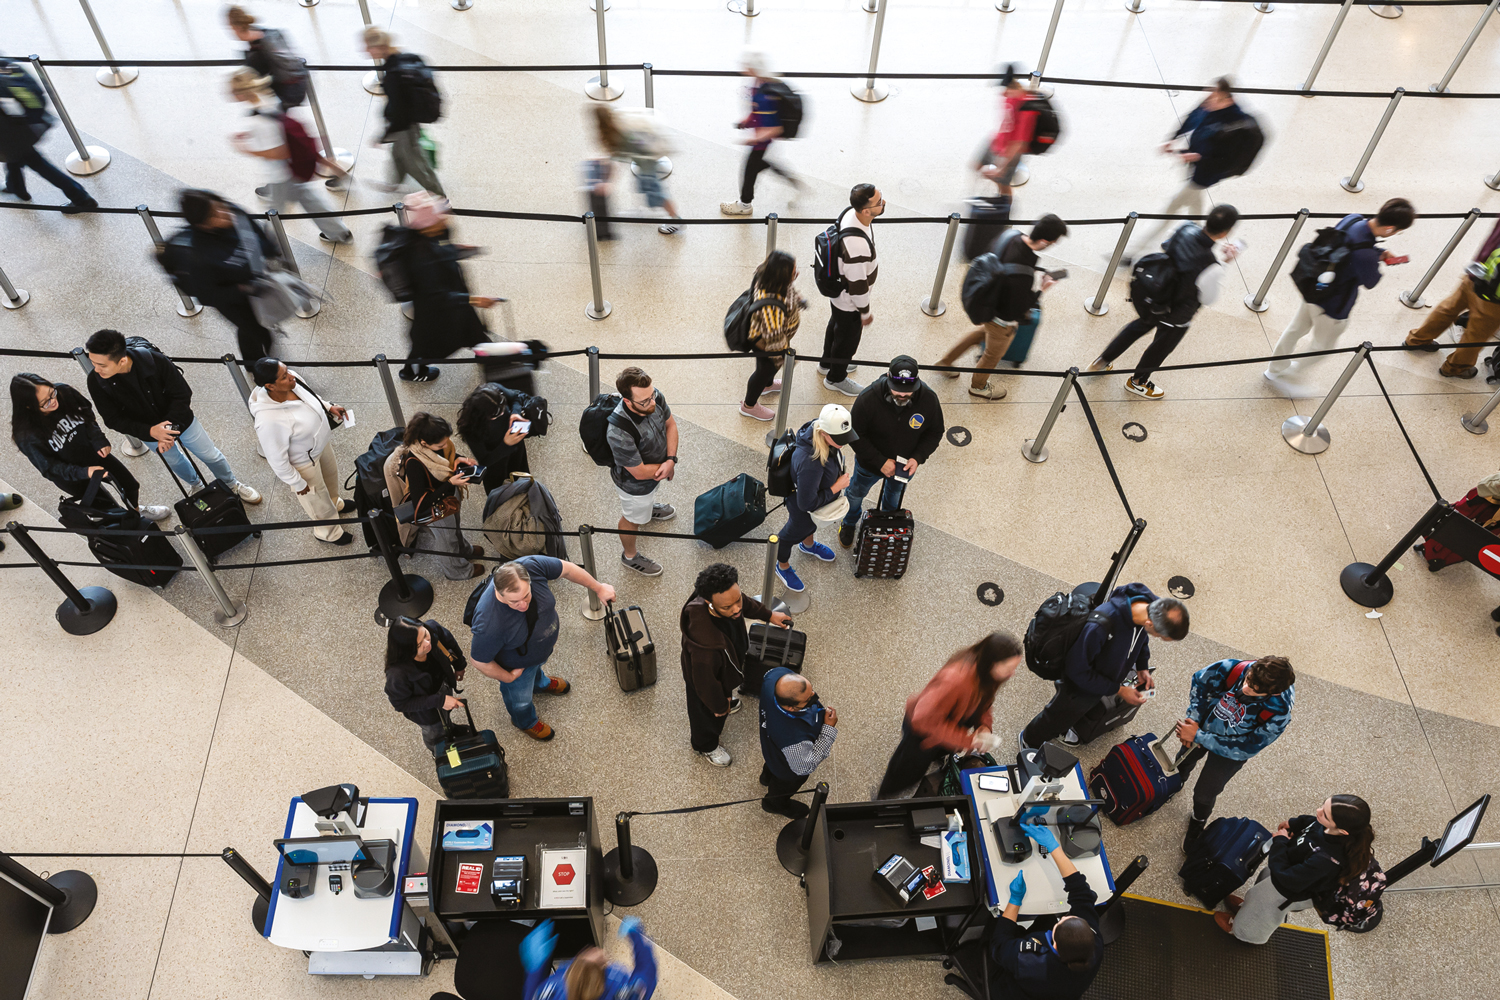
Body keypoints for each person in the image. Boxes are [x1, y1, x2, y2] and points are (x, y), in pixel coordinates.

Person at [84, 329, 262, 504]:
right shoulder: (96, 380)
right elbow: (112, 418)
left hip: (181, 422)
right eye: (93, 362)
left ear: (122, 360)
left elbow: (182, 395)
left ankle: (231, 483)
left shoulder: (154, 361)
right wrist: (152, 432)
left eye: (102, 365)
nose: (96, 370)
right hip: (150, 433)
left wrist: (168, 432)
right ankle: (197, 485)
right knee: (175, 462)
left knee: (210, 455)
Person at [1087, 204, 1240, 400]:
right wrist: (1224, 262)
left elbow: (1167, 245)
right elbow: (1208, 298)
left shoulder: (1186, 227)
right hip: (1177, 313)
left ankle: (1102, 360)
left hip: (1157, 294)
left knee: (1138, 326)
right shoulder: (1210, 264)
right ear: (1224, 233)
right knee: (1161, 346)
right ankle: (1139, 382)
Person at [1019, 584, 1188, 751]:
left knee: (1075, 712)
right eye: (1160, 635)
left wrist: (1142, 667)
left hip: (1102, 680)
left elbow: (1141, 638)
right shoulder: (1101, 626)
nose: (1157, 637)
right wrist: (1119, 690)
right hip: (1079, 685)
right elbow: (1076, 671)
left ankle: (1063, 726)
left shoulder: (1148, 606)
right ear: (1150, 622)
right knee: (1059, 714)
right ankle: (1029, 740)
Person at [467, 558, 615, 742]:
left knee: (535, 670)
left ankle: (540, 684)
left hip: (537, 654)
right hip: (516, 668)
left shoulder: (530, 565)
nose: (523, 605)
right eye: (514, 601)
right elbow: (479, 661)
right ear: (498, 592)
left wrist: (599, 588)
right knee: (520, 700)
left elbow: (567, 569)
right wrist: (509, 677)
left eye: (526, 595)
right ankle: (525, 722)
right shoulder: (488, 622)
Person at [1267, 200, 1414, 379]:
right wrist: (1376, 258)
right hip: (1333, 304)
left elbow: (1349, 245)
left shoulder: (1353, 219)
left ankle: (1275, 368)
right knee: (1322, 346)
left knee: (1295, 329)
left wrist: (1377, 252)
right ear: (1390, 228)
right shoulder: (1365, 255)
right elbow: (1371, 281)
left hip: (1314, 286)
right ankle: (1291, 375)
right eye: (1398, 231)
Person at [935, 214, 1068, 400]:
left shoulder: (1011, 236)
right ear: (1045, 241)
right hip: (1000, 318)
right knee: (992, 355)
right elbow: (1015, 311)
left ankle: (945, 362)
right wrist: (1041, 289)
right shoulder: (1023, 277)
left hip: (987, 302)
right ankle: (978, 387)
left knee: (980, 334)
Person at [875, 632, 1021, 798]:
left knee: (937, 753)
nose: (1013, 673)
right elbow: (921, 719)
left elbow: (985, 701)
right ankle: (883, 798)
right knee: (905, 773)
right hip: (923, 734)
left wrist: (984, 725)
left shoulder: (984, 673)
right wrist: (967, 740)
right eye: (1009, 668)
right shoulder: (955, 680)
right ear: (991, 663)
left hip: (951, 722)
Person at [10, 373, 170, 522]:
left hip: (93, 453)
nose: (53, 401)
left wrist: (98, 439)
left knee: (129, 485)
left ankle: (135, 514)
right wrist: (84, 472)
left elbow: (86, 414)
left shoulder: (63, 391)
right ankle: (123, 525)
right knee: (104, 505)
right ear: (28, 407)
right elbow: (49, 468)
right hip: (71, 476)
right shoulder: (27, 435)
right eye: (45, 402)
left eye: (52, 393)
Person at [1218, 795, 1375, 944]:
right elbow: (1313, 823)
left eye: (1325, 815)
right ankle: (1248, 910)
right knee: (1258, 896)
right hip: (1291, 871)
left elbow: (1286, 878)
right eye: (1323, 806)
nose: (1318, 812)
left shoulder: (1328, 861)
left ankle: (1244, 931)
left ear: (1343, 831)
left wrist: (1279, 842)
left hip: (1288, 891)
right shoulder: (1332, 828)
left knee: (1265, 907)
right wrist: (1295, 823)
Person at [1176, 656, 1296, 852]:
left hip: (1231, 750)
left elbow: (1247, 746)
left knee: (1204, 794)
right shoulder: (1236, 667)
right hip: (1204, 724)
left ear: (1274, 692)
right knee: (1183, 760)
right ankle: (1176, 782)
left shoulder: (1279, 712)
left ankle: (1198, 821)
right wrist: (1194, 720)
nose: (1246, 688)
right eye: (1248, 680)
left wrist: (1199, 736)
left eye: (1255, 690)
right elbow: (1200, 681)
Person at [1125, 78, 1252, 261]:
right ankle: (1198, 242)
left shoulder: (1236, 120)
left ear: (1225, 97)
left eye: (1214, 92)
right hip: (1195, 168)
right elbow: (1193, 117)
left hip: (1204, 174)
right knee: (1196, 210)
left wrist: (1199, 157)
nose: (1208, 96)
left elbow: (1227, 154)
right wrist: (1174, 138)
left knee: (1169, 210)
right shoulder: (1212, 103)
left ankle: (1133, 252)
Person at [680, 563, 793, 767]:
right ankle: (705, 745)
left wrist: (768, 615)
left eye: (737, 599)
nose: (737, 609)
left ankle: (724, 701)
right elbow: (706, 683)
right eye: (728, 607)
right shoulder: (704, 649)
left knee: (722, 692)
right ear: (709, 603)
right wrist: (719, 705)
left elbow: (745, 603)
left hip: (724, 668)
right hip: (706, 684)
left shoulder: (726, 599)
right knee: (706, 715)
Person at [226, 69, 351, 246]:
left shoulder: (257, 120)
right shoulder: (269, 99)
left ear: (241, 93)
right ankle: (340, 233)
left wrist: (247, 150)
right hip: (294, 167)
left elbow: (280, 152)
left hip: (281, 174)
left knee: (275, 211)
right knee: (309, 199)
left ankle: (270, 246)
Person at [159, 189, 282, 364]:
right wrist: (243, 289)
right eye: (215, 216)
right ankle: (256, 365)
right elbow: (207, 295)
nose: (225, 214)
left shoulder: (232, 211)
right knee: (254, 330)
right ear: (203, 225)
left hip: (256, 283)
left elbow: (254, 232)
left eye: (220, 207)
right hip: (235, 301)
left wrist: (269, 250)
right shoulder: (198, 256)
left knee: (259, 325)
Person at [838, 356, 944, 547]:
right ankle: (849, 523)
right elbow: (854, 434)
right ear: (888, 377)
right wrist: (880, 461)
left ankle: (886, 525)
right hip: (869, 465)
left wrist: (918, 457)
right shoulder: (868, 398)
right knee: (855, 494)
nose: (902, 395)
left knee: (893, 496)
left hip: (903, 467)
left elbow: (935, 431)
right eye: (898, 390)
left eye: (908, 391)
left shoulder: (928, 399)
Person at [397, 191, 501, 382]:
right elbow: (436, 296)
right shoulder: (420, 257)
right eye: (440, 220)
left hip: (455, 301)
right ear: (428, 227)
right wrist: (475, 300)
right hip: (438, 310)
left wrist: (460, 250)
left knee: (472, 330)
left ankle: (486, 354)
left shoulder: (430, 234)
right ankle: (411, 372)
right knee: (427, 345)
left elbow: (443, 248)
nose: (445, 221)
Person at [992, 822, 1105, 998]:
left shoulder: (1029, 960)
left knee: (992, 924)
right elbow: (1082, 893)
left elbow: (999, 946)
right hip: (1062, 988)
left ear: (1055, 945)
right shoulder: (1094, 943)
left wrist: (1015, 900)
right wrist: (1053, 847)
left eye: (1059, 924)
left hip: (1018, 990)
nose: (1062, 918)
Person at [247, 358, 352, 545]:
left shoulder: (293, 380)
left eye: (287, 371)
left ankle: (335, 503)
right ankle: (328, 532)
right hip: (303, 463)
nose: (291, 376)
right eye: (284, 376)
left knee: (331, 479)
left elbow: (312, 396)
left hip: (320, 445)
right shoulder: (268, 420)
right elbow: (276, 459)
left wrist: (328, 406)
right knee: (317, 499)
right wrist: (296, 482)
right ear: (270, 386)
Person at [390, 412, 486, 581]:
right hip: (437, 506)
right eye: (440, 444)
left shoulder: (436, 445)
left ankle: (463, 550)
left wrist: (459, 459)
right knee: (446, 540)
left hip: (449, 494)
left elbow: (444, 458)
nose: (446, 445)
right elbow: (422, 502)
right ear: (424, 443)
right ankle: (457, 571)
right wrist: (450, 484)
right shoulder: (414, 463)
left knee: (455, 527)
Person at [1404, 214, 1500, 379]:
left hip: (1476, 272)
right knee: (1476, 334)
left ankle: (1417, 339)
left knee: (1449, 307)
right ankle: (1456, 368)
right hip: (1494, 299)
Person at [774, 403, 855, 594]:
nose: (843, 443)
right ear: (824, 433)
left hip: (813, 499)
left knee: (812, 525)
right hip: (803, 508)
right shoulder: (811, 463)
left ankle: (808, 544)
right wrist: (837, 486)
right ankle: (782, 565)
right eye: (839, 439)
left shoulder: (816, 430)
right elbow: (806, 504)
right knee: (789, 535)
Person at [0, 58, 98, 213]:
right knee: (14, 158)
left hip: (10, 134)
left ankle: (81, 198)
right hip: (17, 129)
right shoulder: (3, 65)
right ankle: (15, 187)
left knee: (36, 163)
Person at [607, 367, 679, 577]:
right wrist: (666, 468)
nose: (653, 403)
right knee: (631, 518)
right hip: (634, 486)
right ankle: (630, 556)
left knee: (646, 501)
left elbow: (671, 425)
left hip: (655, 473)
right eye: (645, 401)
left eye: (652, 395)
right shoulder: (618, 431)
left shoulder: (653, 396)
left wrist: (671, 460)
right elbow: (638, 472)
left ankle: (648, 509)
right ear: (628, 402)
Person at [362, 27, 445, 196]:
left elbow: (400, 113)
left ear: (379, 48)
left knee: (416, 164)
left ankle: (439, 196)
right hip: (408, 121)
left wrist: (385, 135)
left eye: (369, 47)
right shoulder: (407, 58)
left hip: (403, 127)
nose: (366, 50)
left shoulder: (393, 75)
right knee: (397, 153)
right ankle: (393, 183)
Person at [720, 50, 804, 217]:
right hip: (760, 140)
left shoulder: (766, 96)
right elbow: (757, 111)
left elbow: (775, 128)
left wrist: (753, 139)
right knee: (759, 165)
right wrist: (747, 121)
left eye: (746, 65)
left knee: (750, 170)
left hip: (762, 142)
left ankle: (744, 205)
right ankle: (792, 181)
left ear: (753, 68)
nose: (743, 67)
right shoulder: (760, 83)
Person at [820, 184, 885, 397]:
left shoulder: (850, 213)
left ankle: (826, 364)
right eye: (879, 202)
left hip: (837, 295)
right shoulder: (857, 245)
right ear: (866, 211)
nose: (883, 202)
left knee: (836, 326)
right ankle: (835, 378)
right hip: (850, 301)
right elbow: (858, 286)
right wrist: (865, 312)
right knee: (847, 340)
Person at [758, 667, 837, 818]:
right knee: (782, 785)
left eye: (811, 691)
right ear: (791, 708)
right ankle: (773, 804)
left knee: (771, 762)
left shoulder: (773, 678)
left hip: (770, 746)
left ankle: (766, 777)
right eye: (808, 700)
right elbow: (804, 766)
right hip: (786, 769)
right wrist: (828, 729)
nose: (814, 696)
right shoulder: (793, 738)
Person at [592, 106, 681, 235]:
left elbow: (620, 158)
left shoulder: (621, 134)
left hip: (648, 157)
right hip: (648, 151)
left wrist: (609, 182)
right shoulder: (618, 118)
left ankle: (677, 221)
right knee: (643, 184)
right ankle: (649, 208)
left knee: (656, 191)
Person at [383, 616, 466, 755]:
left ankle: (449, 728)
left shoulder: (431, 628)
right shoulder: (397, 675)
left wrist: (459, 665)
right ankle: (439, 753)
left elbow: (449, 642)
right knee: (435, 732)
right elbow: (401, 704)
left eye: (426, 636)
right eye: (419, 645)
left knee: (445, 718)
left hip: (442, 687)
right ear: (406, 650)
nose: (428, 643)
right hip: (426, 712)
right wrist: (439, 701)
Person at [520, 916, 657, 1000]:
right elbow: (647, 973)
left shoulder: (552, 990)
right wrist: (636, 935)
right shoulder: (624, 992)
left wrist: (536, 968)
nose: (596, 950)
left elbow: (532, 996)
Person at [739, 250, 805, 421]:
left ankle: (768, 385)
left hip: (773, 337)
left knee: (768, 369)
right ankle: (749, 406)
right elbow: (774, 338)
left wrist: (796, 298)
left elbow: (789, 288)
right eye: (793, 271)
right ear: (781, 276)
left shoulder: (771, 277)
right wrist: (787, 357)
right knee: (764, 370)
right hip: (765, 343)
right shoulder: (771, 307)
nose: (796, 273)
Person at [1414, 469, 1500, 571]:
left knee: (1470, 531)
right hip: (1486, 496)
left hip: (1491, 506)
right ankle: (1430, 548)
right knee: (1455, 518)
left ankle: (1440, 557)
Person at [225, 5, 306, 109]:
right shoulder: (257, 42)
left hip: (289, 92)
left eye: (230, 28)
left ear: (237, 28)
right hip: (278, 93)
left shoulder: (266, 41)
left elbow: (288, 68)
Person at [977, 66, 1039, 201]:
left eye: (1006, 89)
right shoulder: (1011, 98)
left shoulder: (1026, 110)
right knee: (977, 165)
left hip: (1011, 151)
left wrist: (1002, 168)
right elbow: (1006, 122)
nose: (1003, 93)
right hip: (999, 141)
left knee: (1003, 184)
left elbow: (1019, 143)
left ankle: (1005, 212)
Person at [456, 382, 531, 493]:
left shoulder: (494, 391)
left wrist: (515, 413)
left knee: (522, 479)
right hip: (496, 464)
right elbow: (485, 460)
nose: (502, 413)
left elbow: (516, 397)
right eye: (496, 414)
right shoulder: (470, 428)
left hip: (516, 450)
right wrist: (506, 444)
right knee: (500, 493)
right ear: (481, 416)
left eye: (503, 408)